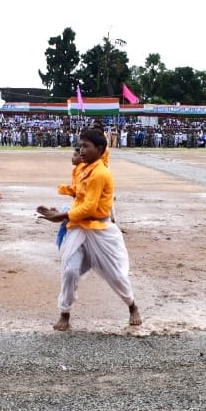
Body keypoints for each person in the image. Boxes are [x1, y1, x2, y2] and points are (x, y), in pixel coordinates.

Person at [37, 129, 142, 331]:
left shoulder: (100, 173)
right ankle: (65, 313)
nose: (81, 150)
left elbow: (90, 208)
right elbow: (79, 194)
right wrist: (61, 204)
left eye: (86, 146)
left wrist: (61, 216)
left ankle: (132, 306)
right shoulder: (83, 168)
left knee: (116, 276)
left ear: (100, 149)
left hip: (100, 231)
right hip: (79, 228)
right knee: (70, 271)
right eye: (80, 146)